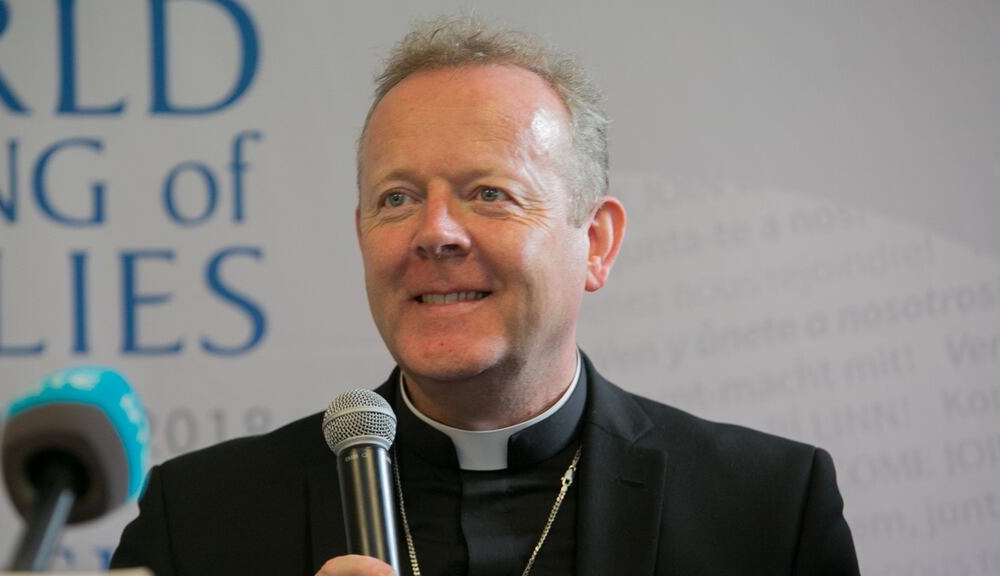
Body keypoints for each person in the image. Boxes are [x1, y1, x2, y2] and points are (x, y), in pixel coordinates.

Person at [112, 16, 860, 576]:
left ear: (595, 242)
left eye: (490, 193)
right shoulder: (201, 518)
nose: (435, 233)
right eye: (397, 198)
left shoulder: (766, 511)